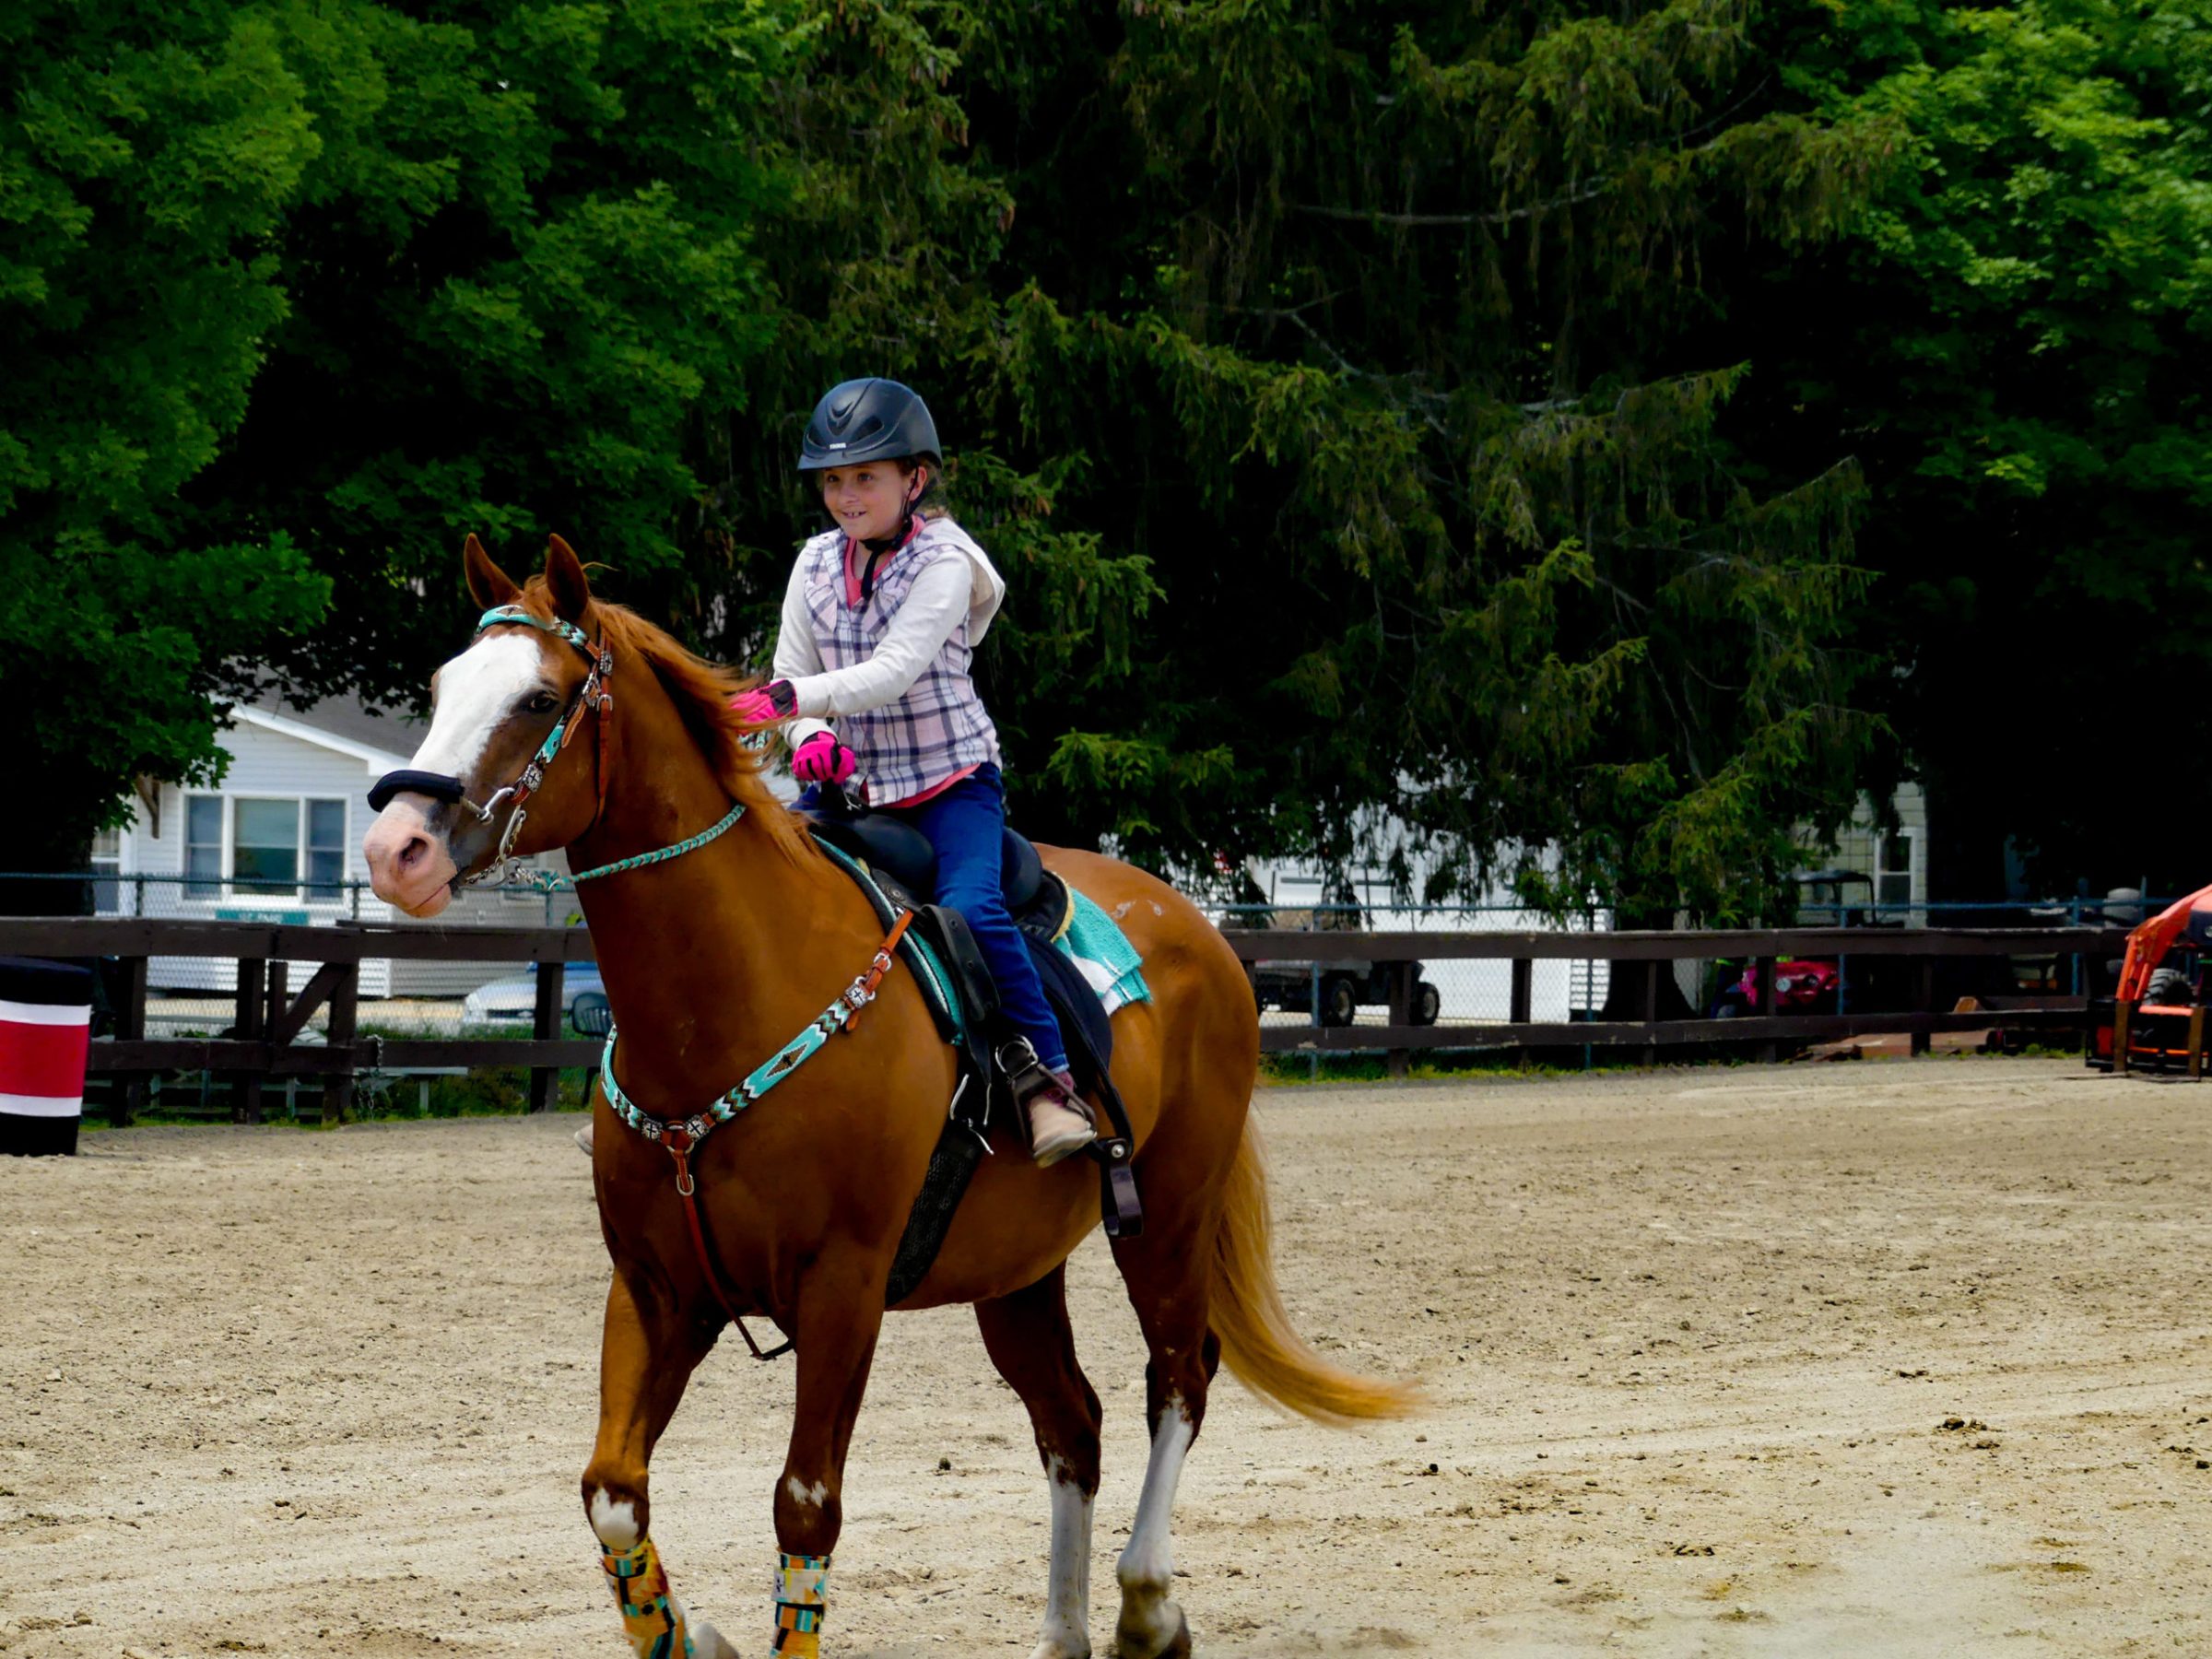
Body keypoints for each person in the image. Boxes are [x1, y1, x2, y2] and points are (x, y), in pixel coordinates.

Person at [730, 377, 1097, 1167]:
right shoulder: (814, 564)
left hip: (950, 787)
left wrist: (793, 700)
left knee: (970, 909)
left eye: (867, 476)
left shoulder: (948, 561)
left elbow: (895, 670)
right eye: (834, 480)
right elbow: (794, 669)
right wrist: (808, 738)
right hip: (848, 789)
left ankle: (1047, 1085)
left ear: (914, 480)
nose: (847, 495)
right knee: (749, 891)